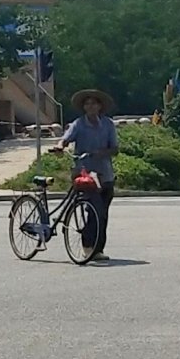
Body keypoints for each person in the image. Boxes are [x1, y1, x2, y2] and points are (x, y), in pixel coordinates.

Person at [57, 87, 119, 258]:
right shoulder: (79, 124)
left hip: (105, 174)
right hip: (84, 173)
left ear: (100, 106)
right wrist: (59, 146)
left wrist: (102, 152)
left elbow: (114, 149)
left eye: (94, 103)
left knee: (102, 214)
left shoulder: (107, 124)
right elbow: (65, 139)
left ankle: (98, 249)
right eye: (87, 104)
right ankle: (88, 245)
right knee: (94, 210)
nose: (90, 107)